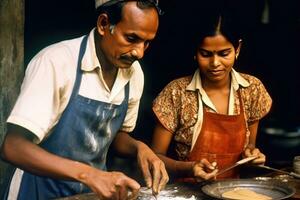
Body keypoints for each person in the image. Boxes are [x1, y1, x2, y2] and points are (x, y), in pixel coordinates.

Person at [0, 0, 169, 199]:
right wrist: (89, 174)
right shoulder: (56, 62)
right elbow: (13, 147)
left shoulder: (133, 74)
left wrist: (140, 148)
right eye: (131, 38)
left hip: (87, 194)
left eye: (146, 42)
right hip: (34, 191)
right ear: (104, 24)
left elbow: (115, 137)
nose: (139, 52)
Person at [151, 11, 272, 182]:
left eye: (224, 54)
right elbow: (155, 158)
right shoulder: (176, 92)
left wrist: (252, 155)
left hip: (233, 191)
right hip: (188, 192)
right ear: (195, 52)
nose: (215, 63)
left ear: (237, 49)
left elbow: (250, 145)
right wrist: (189, 168)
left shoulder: (252, 89)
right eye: (206, 54)